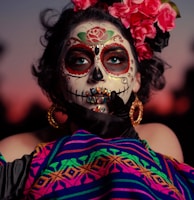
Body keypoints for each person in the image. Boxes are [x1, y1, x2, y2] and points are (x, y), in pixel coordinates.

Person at [0, 0, 194, 199]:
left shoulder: (159, 141)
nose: (98, 75)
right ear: (58, 80)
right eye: (80, 60)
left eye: (115, 59)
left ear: (137, 80)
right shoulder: (13, 154)